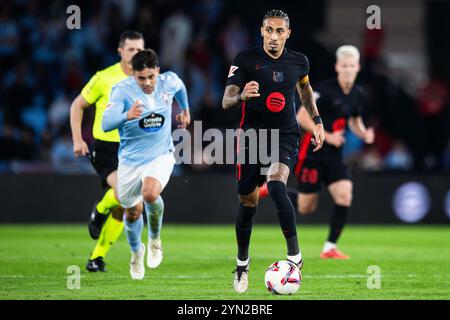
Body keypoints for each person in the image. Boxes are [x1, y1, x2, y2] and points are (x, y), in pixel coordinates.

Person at [222, 9, 325, 293]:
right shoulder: (245, 60)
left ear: (288, 34)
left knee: (277, 185)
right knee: (248, 203)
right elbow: (226, 100)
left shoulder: (299, 62)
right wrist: (242, 94)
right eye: (270, 30)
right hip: (252, 138)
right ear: (262, 32)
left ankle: (295, 256)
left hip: (285, 134)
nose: (274, 37)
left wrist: (316, 120)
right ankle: (242, 264)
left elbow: (304, 89)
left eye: (280, 31)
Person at [261, 45, 375, 259]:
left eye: (352, 65)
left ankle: (329, 247)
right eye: (345, 65)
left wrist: (364, 134)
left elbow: (355, 120)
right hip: (313, 151)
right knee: (306, 207)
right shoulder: (325, 89)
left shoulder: (358, 94)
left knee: (344, 196)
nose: (349, 69)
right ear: (337, 67)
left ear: (358, 67)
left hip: (334, 156)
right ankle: (270, 187)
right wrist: (328, 135)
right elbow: (301, 116)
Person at [102, 49, 190, 280]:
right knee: (132, 212)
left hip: (161, 154)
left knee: (150, 194)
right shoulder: (122, 91)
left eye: (151, 76)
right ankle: (135, 252)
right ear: (133, 75)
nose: (148, 82)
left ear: (157, 71)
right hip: (130, 161)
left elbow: (180, 86)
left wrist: (185, 109)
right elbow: (105, 123)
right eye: (141, 78)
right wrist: (125, 115)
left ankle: (155, 239)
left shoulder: (167, 82)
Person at [70, 31, 144, 272]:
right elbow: (77, 105)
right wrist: (78, 139)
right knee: (124, 193)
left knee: (127, 205)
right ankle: (100, 209)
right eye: (131, 49)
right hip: (106, 148)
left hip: (133, 148)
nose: (135, 54)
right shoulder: (104, 77)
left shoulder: (147, 79)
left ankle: (96, 258)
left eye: (139, 50)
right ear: (120, 51)